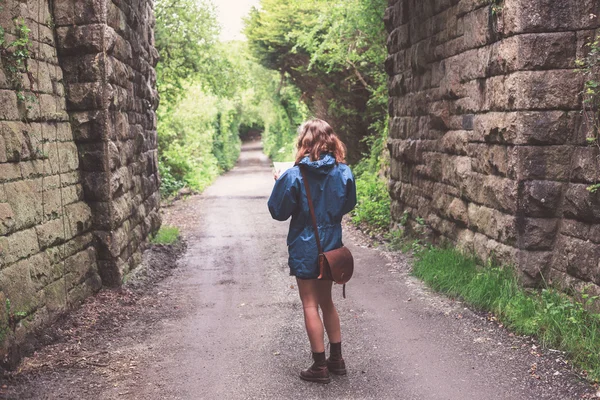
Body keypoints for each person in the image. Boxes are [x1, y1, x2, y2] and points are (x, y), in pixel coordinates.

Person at [267, 118, 357, 384]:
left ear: (304, 143)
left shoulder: (294, 175)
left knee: (309, 303)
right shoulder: (344, 172)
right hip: (331, 246)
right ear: (331, 140)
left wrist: (278, 182)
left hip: (305, 247)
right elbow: (347, 204)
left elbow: (278, 211)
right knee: (327, 301)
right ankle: (337, 360)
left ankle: (319, 366)